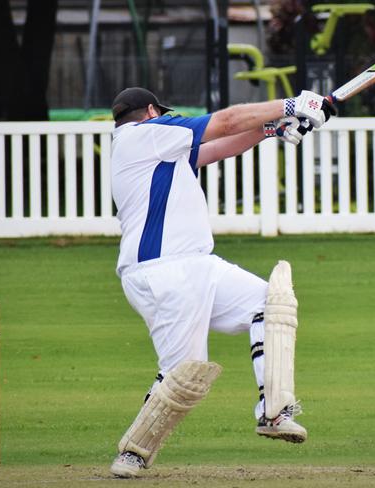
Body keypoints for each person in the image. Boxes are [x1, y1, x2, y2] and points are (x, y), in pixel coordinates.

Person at [108, 87, 336, 478]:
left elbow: (224, 146)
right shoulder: (143, 135)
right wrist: (291, 106)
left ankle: (274, 411)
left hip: (198, 265)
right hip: (165, 271)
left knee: (271, 304)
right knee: (183, 374)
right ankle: (134, 452)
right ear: (151, 111)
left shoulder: (161, 150)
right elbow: (226, 121)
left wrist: (273, 128)